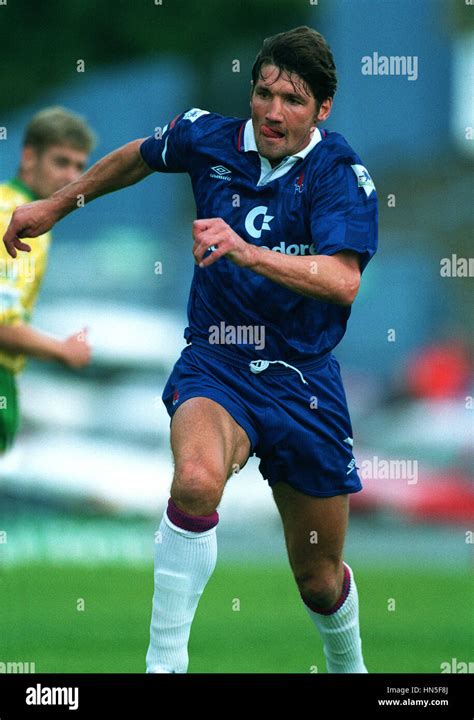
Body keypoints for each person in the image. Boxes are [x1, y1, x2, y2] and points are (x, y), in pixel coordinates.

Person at [3, 27, 378, 673]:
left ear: (322, 110)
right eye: (263, 92)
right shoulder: (210, 136)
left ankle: (352, 671)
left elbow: (344, 281)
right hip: (219, 359)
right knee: (197, 480)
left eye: (292, 99)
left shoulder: (339, 175)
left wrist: (247, 250)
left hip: (305, 379)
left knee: (317, 579)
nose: (272, 110)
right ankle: (164, 665)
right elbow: (140, 156)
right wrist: (57, 205)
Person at [0, 107, 94, 453]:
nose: (71, 177)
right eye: (61, 162)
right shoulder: (18, 222)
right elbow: (1, 324)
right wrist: (63, 350)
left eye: (79, 166)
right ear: (28, 156)